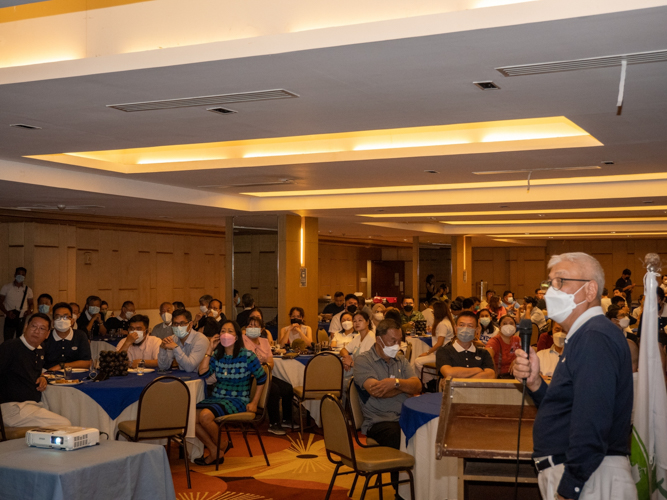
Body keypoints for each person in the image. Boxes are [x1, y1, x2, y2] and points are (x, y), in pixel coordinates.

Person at [513, 252, 635, 500]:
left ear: (590, 291)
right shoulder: (583, 336)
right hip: (583, 473)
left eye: (560, 281)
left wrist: (571, 487)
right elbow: (570, 409)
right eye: (549, 283)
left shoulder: (594, 337)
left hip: (590, 477)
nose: (549, 292)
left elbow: (593, 418)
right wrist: (536, 384)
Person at [353, 319, 422, 491]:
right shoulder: (363, 361)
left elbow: (417, 386)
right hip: (379, 422)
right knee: (400, 437)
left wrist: (394, 383)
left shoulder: (401, 360)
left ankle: (421, 487)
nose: (398, 345)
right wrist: (404, 387)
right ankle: (401, 490)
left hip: (404, 416)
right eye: (393, 341)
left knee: (428, 433)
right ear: (379, 340)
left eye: (399, 341)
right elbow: (376, 391)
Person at [194, 320, 266, 465]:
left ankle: (223, 445)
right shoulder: (217, 356)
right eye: (222, 331)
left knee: (205, 416)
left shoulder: (247, 355)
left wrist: (255, 402)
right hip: (218, 397)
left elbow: (262, 378)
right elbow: (202, 373)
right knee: (190, 418)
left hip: (239, 399)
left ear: (237, 336)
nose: (225, 334)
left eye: (230, 331)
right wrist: (209, 350)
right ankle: (215, 450)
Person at [0, 313, 71, 427]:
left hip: (32, 405)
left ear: (47, 334)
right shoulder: (10, 347)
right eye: (34, 326)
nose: (37, 331)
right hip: (13, 408)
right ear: (25, 327)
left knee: (67, 409)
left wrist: (43, 376)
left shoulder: (39, 349)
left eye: (42, 328)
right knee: (64, 424)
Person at [242, 315, 291, 435]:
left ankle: (287, 419)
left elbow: (271, 363)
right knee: (273, 389)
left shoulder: (264, 342)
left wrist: (263, 366)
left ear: (261, 330)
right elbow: (248, 364)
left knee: (287, 388)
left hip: (265, 374)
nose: (252, 328)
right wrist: (263, 365)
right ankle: (274, 424)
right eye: (250, 325)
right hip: (250, 378)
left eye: (255, 326)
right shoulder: (242, 340)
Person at [436, 311, 495, 380]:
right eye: (461, 325)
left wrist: (457, 381)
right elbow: (448, 373)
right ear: (455, 328)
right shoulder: (444, 351)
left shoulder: (483, 353)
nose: (465, 329)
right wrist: (478, 370)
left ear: (476, 330)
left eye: (470, 326)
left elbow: (490, 375)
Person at [42, 303, 92, 371]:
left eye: (66, 317)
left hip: (75, 376)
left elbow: (87, 363)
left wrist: (61, 366)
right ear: (53, 321)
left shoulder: (80, 335)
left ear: (71, 321)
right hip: (49, 375)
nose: (62, 320)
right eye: (58, 317)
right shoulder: (46, 336)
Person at [414, 301, 455, 380]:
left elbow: (439, 343)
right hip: (443, 353)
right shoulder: (447, 321)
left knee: (417, 362)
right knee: (422, 361)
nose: (432, 313)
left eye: (433, 312)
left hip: (441, 355)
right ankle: (431, 380)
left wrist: (427, 352)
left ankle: (430, 382)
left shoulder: (442, 324)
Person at [0, 267, 34, 342]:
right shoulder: (6, 287)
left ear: (25, 277)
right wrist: (6, 312)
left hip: (22, 318)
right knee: (8, 340)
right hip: (10, 317)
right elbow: (0, 302)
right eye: (19, 274)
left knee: (21, 340)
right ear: (15, 275)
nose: (20, 276)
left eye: (23, 275)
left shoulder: (28, 289)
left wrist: (30, 311)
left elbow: (31, 304)